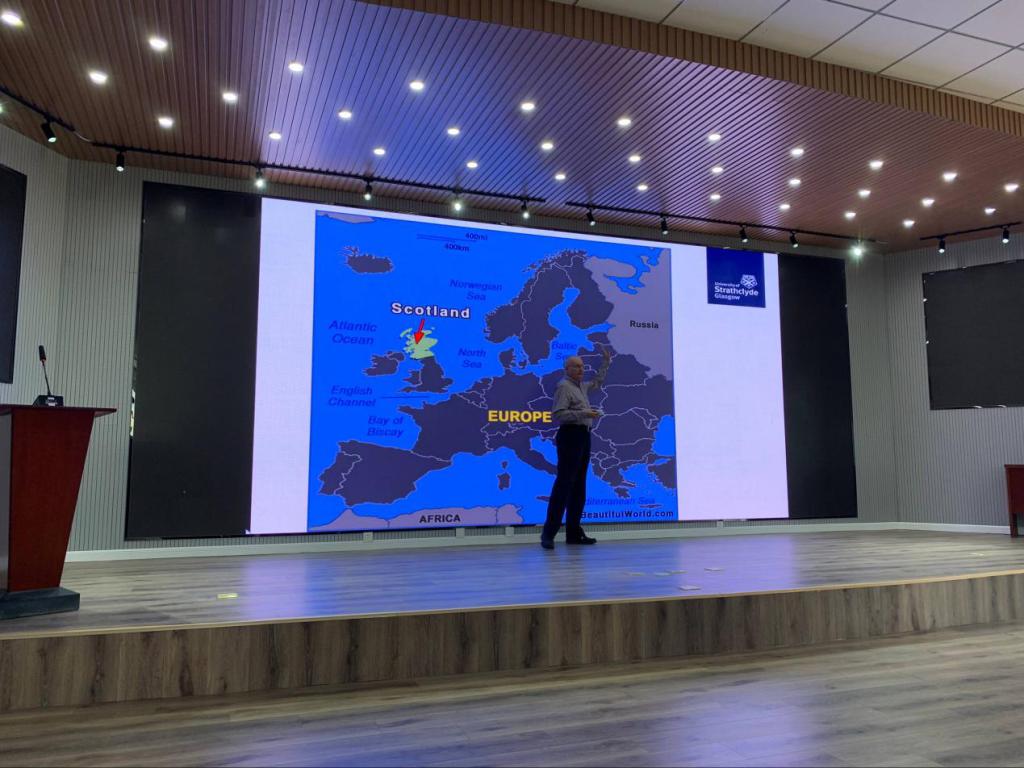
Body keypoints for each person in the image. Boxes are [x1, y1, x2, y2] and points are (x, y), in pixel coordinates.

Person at [541, 345, 611, 549]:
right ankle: (548, 534)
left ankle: (573, 534)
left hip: (584, 436)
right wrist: (585, 414)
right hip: (570, 435)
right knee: (564, 484)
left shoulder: (581, 386)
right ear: (567, 369)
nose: (581, 369)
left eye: (582, 366)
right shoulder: (564, 386)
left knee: (579, 485)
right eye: (577, 366)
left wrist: (606, 363)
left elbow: (597, 382)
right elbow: (558, 414)